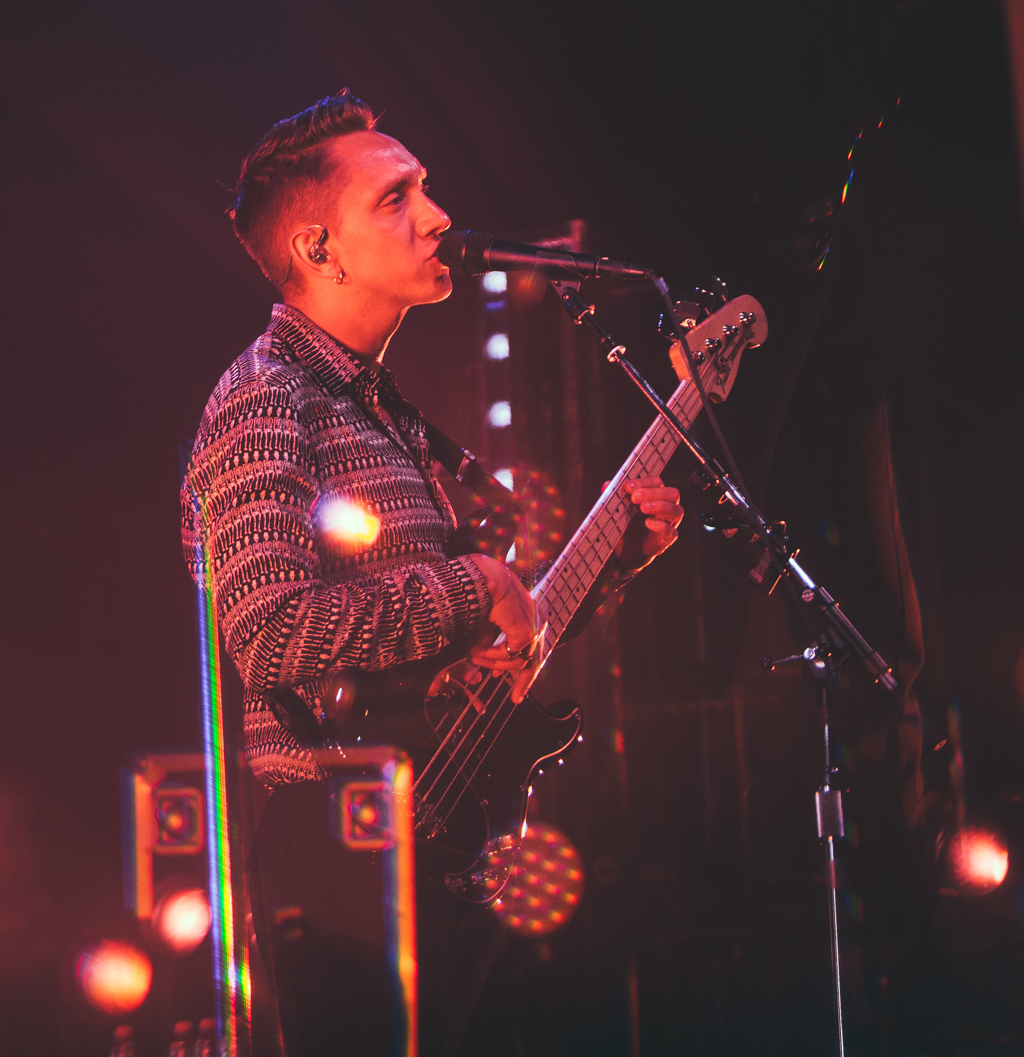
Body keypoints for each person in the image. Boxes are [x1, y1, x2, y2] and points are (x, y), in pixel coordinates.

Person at [180, 92, 682, 1055]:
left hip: (413, 836)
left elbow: (457, 649)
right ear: (320, 251)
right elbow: (268, 633)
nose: (439, 215)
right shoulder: (264, 401)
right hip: (331, 868)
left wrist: (606, 568)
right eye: (396, 197)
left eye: (427, 188)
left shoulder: (380, 409)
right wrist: (468, 588)